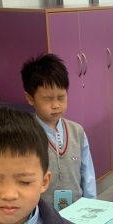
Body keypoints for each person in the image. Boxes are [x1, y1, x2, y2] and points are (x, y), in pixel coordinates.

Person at [21, 53, 96, 209]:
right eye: (47, 99)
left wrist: (91, 205)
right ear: (30, 98)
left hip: (77, 211)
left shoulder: (77, 131)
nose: (56, 105)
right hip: (41, 213)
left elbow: (87, 173)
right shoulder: (25, 135)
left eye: (61, 97)